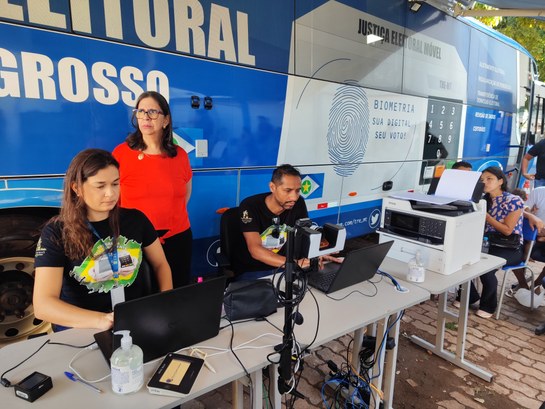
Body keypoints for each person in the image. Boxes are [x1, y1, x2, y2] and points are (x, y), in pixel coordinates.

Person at [33, 149, 173, 331]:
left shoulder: (136, 220)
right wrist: (102, 320)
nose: (111, 193)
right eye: (100, 186)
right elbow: (43, 306)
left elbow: (161, 264)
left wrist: (167, 301)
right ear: (77, 188)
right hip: (83, 327)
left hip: (134, 319)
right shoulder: (56, 232)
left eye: (115, 184)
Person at [113, 91, 193, 288]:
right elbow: (114, 201)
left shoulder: (180, 155)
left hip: (177, 238)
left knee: (177, 294)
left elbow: (185, 194)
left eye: (152, 112)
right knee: (141, 298)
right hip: (135, 242)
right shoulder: (121, 154)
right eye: (141, 111)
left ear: (166, 120)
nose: (146, 117)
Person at [235, 164, 340, 279]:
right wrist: (293, 264)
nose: (294, 197)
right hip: (254, 271)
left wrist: (316, 254)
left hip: (286, 268)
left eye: (297, 191)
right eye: (288, 190)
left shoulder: (298, 202)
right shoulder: (250, 206)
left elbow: (304, 236)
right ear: (272, 187)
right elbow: (255, 249)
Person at [462, 166, 524, 318]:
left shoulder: (513, 200)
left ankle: (488, 306)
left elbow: (507, 230)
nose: (485, 182)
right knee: (461, 260)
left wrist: (487, 216)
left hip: (509, 247)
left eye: (490, 179)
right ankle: (470, 296)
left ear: (500, 181)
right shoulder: (483, 200)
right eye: (482, 179)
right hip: (487, 243)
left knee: (486, 267)